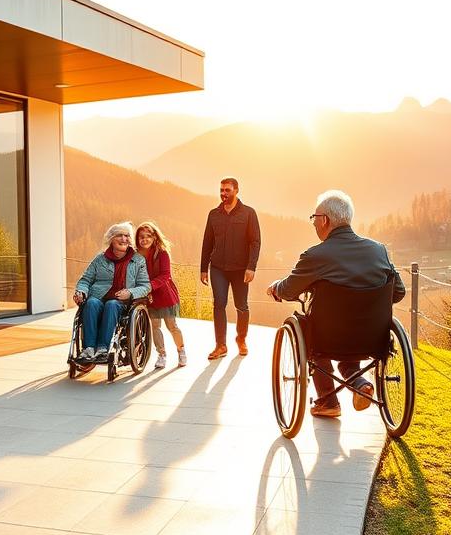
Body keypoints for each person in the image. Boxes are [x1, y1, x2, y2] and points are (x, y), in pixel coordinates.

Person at [266, 189, 406, 418]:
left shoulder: (315, 255)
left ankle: (328, 401)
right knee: (348, 342)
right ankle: (360, 384)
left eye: (314, 218)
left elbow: (290, 289)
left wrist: (276, 288)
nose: (313, 223)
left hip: (327, 338)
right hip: (372, 336)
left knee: (307, 327)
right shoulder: (379, 251)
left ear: (325, 220)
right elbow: (398, 292)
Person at [200, 177, 261, 360]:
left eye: (227, 190)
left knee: (241, 306)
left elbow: (255, 242)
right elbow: (207, 242)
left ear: (236, 191)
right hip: (218, 267)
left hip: (241, 269)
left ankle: (241, 339)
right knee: (219, 304)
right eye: (221, 190)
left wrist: (251, 267)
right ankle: (220, 345)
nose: (223, 194)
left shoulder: (249, 213)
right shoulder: (213, 214)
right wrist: (203, 268)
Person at [73, 222, 151, 362]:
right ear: (111, 239)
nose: (123, 239)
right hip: (98, 297)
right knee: (90, 303)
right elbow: (85, 280)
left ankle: (103, 348)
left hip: (121, 302)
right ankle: (89, 348)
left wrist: (130, 292)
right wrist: (81, 292)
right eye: (119, 235)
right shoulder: (100, 259)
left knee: (112, 305)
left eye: (126, 235)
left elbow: (145, 286)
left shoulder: (138, 260)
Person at [135, 221, 187, 369]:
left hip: (164, 294)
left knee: (172, 326)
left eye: (148, 236)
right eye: (141, 237)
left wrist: (149, 286)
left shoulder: (162, 253)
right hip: (149, 296)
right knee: (155, 326)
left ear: (154, 237)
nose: (144, 239)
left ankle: (181, 350)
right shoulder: (137, 255)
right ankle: (162, 354)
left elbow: (165, 275)